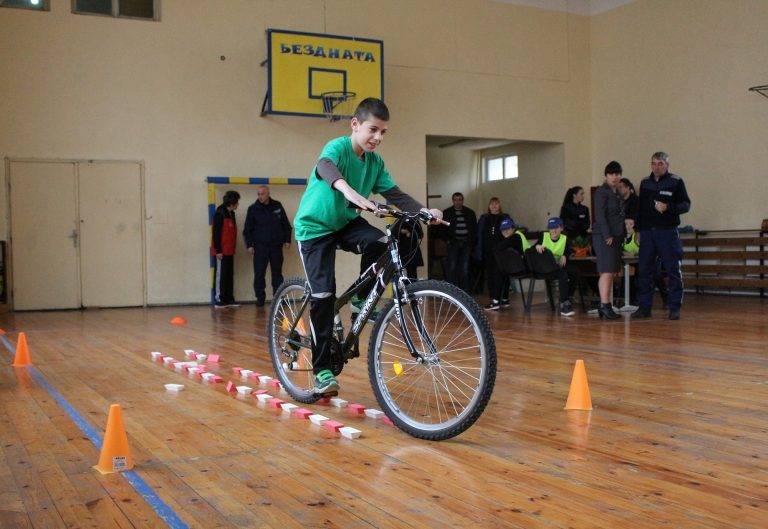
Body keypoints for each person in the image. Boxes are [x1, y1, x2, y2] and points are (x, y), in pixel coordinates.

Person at [293, 97, 442, 395]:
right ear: (355, 124)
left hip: (345, 223)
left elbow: (395, 194)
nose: (378, 137)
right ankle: (322, 371)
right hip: (314, 229)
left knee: (382, 242)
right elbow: (325, 167)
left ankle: (360, 300)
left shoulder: (375, 163)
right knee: (323, 296)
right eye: (373, 129)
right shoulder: (337, 148)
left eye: (383, 132)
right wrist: (350, 192)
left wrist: (424, 211)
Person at [633, 151, 691, 320]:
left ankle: (674, 307)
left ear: (667, 165)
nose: (656, 167)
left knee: (672, 269)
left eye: (660, 164)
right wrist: (638, 230)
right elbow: (640, 209)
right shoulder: (645, 183)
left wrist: (668, 208)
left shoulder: (676, 181)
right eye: (653, 163)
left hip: (667, 232)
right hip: (647, 233)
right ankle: (644, 307)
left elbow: (686, 205)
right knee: (644, 270)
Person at [243, 186, 292, 307]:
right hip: (260, 247)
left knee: (277, 274)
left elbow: (285, 224)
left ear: (268, 194)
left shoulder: (277, 206)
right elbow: (247, 229)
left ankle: (278, 298)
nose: (260, 196)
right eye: (258, 194)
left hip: (276, 246)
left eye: (262, 194)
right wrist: (249, 245)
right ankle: (260, 298)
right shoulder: (253, 209)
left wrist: (287, 239)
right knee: (259, 274)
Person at [592, 161, 626, 320]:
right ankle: (605, 305)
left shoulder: (617, 192)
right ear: (606, 175)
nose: (615, 177)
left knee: (611, 271)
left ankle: (604, 305)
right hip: (604, 236)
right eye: (611, 174)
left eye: (617, 174)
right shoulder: (601, 192)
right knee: (607, 271)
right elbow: (600, 216)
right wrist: (607, 235)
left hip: (616, 235)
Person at [534, 217, 576, 316]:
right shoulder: (543, 236)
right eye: (551, 228)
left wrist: (565, 256)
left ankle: (567, 297)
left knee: (574, 272)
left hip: (556, 267)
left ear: (561, 228)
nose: (553, 230)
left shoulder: (564, 238)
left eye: (556, 227)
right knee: (563, 275)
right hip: (544, 269)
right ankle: (564, 303)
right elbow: (531, 250)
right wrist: (536, 246)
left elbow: (569, 251)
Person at [477, 197, 510, 310]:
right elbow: (480, 234)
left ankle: (502, 299)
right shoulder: (484, 218)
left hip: (501, 251)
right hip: (488, 251)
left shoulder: (505, 217)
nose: (494, 206)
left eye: (496, 204)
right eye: (492, 204)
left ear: (499, 205)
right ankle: (494, 298)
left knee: (501, 274)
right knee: (490, 275)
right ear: (489, 206)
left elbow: (509, 232)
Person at [441, 192, 477, 292]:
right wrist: (447, 240)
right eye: (456, 200)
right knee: (452, 267)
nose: (458, 202)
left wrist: (471, 242)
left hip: (466, 244)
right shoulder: (447, 212)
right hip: (453, 244)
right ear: (453, 201)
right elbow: (442, 229)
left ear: (463, 200)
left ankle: (464, 290)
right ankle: (452, 290)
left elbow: (474, 229)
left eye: (460, 199)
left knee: (464, 267)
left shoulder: (470, 212)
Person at [211, 190, 240, 308]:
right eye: (237, 202)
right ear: (232, 203)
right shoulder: (220, 213)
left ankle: (229, 299)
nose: (238, 204)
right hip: (221, 251)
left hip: (230, 250)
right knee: (221, 275)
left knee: (229, 275)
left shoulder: (232, 214)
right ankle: (220, 299)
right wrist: (218, 251)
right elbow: (216, 233)